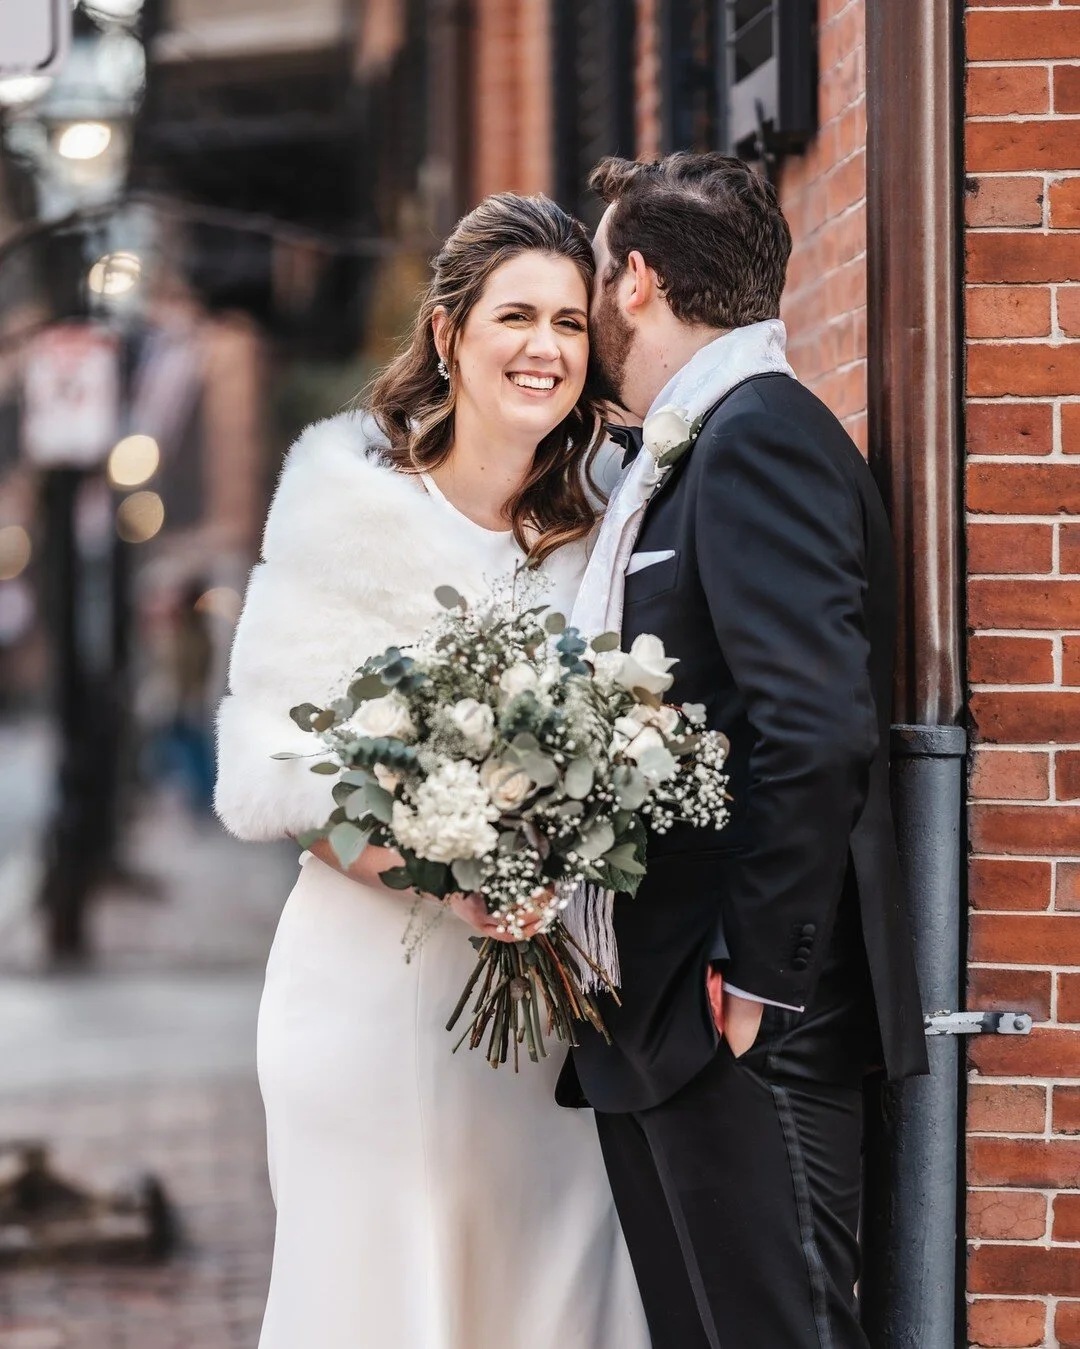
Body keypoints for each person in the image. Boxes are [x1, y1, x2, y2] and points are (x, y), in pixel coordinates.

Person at [214, 194, 650, 1349]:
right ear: (450, 334)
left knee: (557, 1288)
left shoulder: (608, 524)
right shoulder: (346, 503)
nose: (546, 347)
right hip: (373, 1000)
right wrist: (446, 868)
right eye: (516, 314)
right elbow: (279, 771)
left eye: (570, 320)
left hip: (554, 1020)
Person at [559, 152, 929, 1349]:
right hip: (667, 1021)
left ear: (637, 281)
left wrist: (758, 979)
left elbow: (814, 724)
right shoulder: (695, 441)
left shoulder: (755, 436)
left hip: (748, 1019)